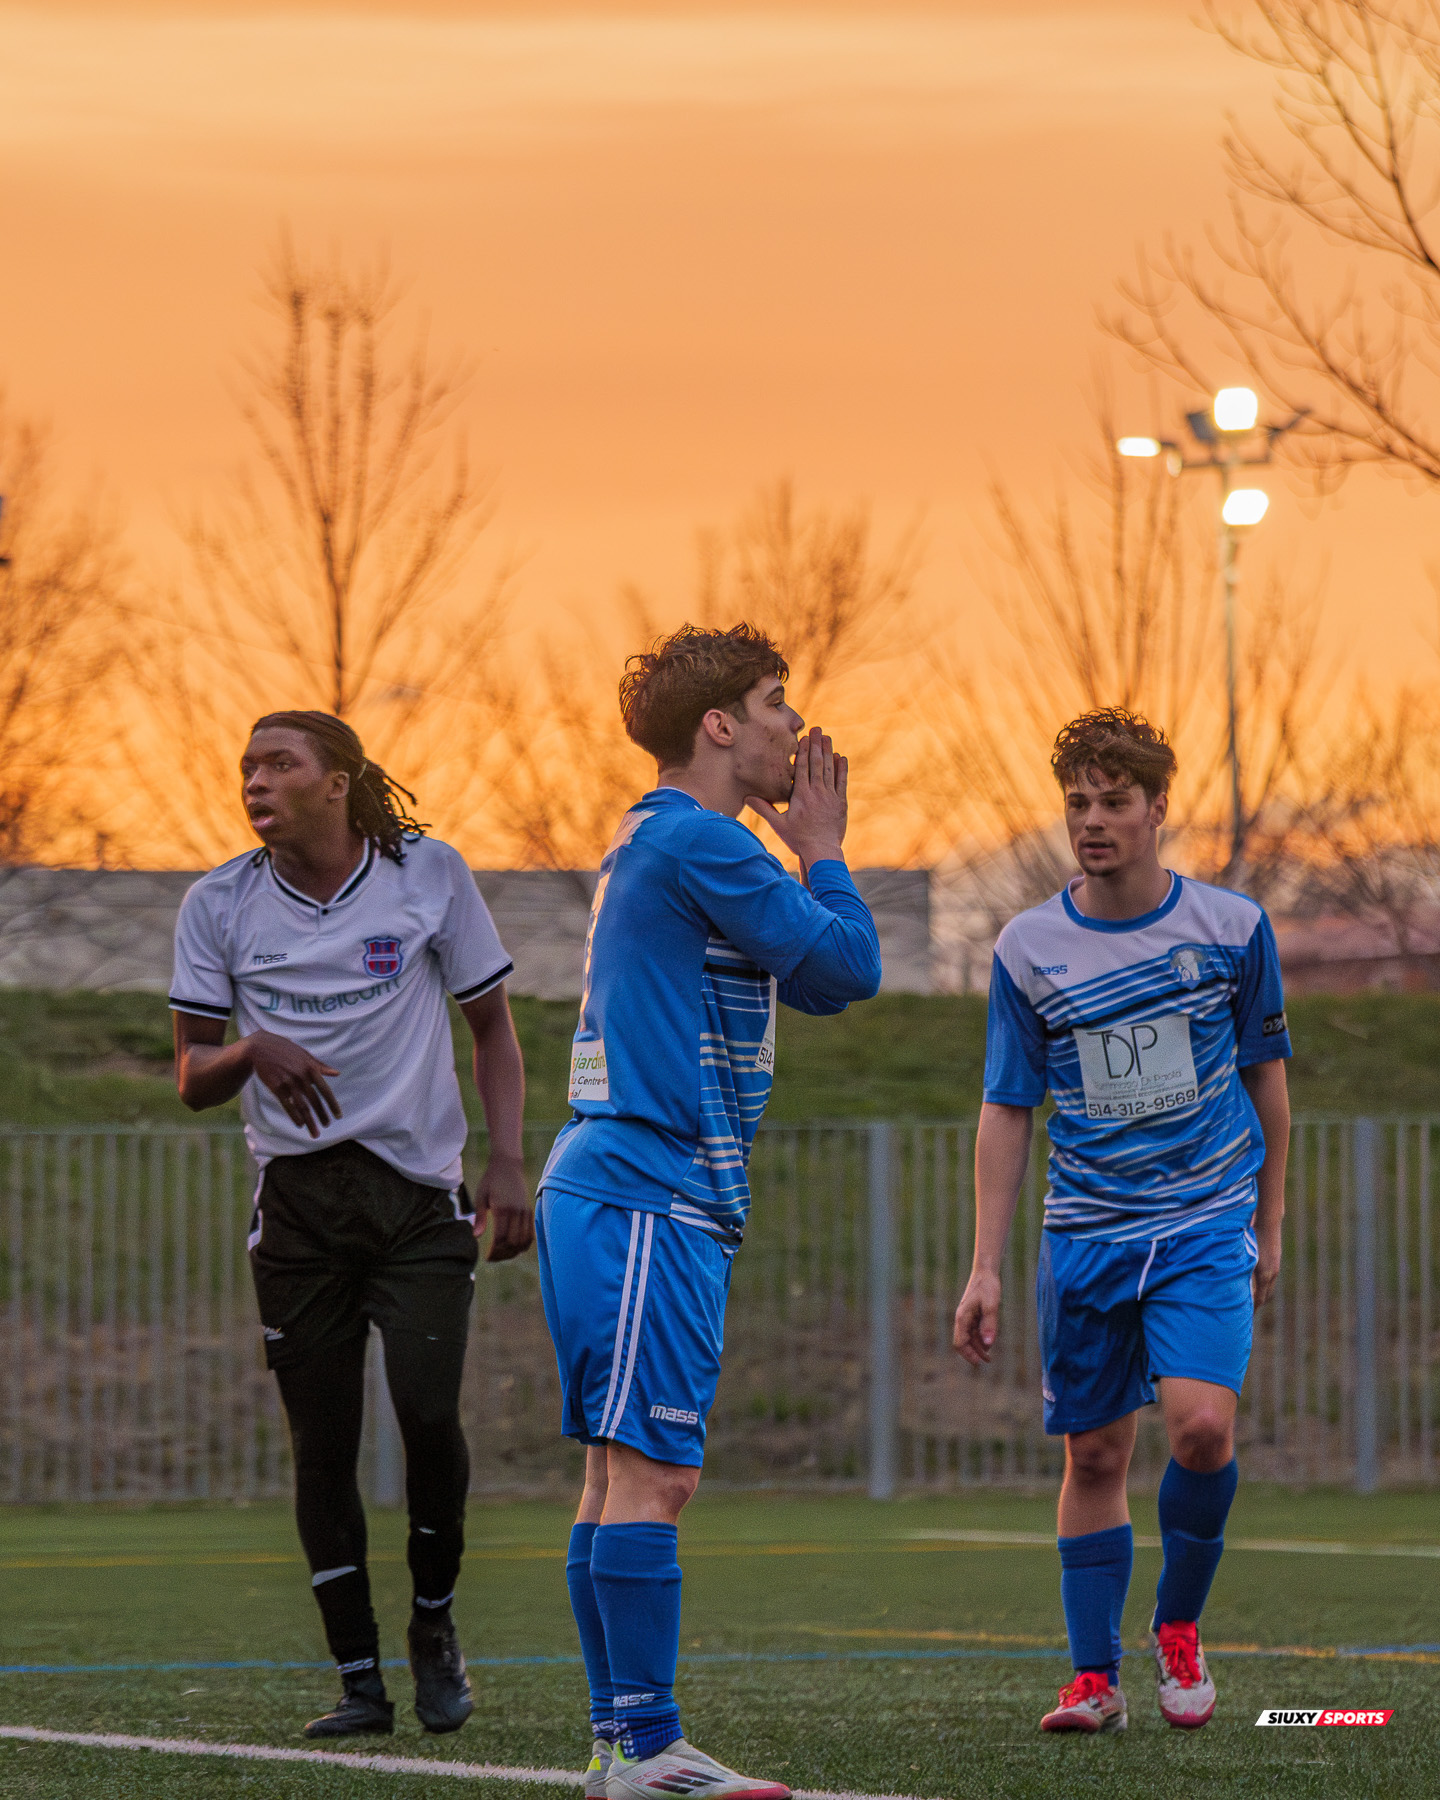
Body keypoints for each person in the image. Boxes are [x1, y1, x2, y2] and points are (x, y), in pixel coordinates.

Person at [536, 624, 881, 1800]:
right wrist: (825, 852)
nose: (797, 727)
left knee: (616, 1475)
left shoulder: (659, 833)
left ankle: (617, 1743)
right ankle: (643, 1746)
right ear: (721, 727)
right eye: (778, 704)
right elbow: (844, 972)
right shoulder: (699, 839)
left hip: (622, 1186)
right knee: (653, 1478)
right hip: (649, 1188)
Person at [169, 711, 532, 1740]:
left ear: (339, 781)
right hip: (298, 1213)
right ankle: (360, 1682)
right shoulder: (220, 903)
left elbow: (492, 1030)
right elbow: (192, 1072)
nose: (255, 780)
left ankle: (432, 1626)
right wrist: (254, 1052)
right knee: (320, 1446)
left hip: (418, 1202)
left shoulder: (428, 874)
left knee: (427, 1417)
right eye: (246, 765)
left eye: (279, 763)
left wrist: (506, 1164)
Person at [953, 708, 1290, 1736]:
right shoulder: (1028, 949)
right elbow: (1007, 1111)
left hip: (1202, 1223)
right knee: (1094, 1455)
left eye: (1113, 802)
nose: (1091, 822)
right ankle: (1093, 1680)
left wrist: (1269, 1227)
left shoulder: (1232, 930)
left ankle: (1177, 1628)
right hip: (1087, 1237)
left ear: (1157, 809)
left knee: (1199, 1427)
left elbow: (1269, 1086)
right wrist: (986, 1267)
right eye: (1077, 804)